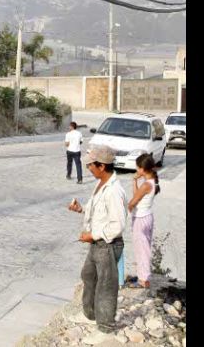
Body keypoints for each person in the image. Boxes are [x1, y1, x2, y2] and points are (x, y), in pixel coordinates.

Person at [66, 145, 127, 344]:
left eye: (91, 165)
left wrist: (93, 236)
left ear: (101, 166)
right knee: (88, 275)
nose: (89, 168)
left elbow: (117, 225)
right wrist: (80, 209)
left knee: (106, 286)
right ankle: (90, 315)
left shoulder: (115, 191)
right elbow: (98, 213)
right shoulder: (101, 183)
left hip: (107, 244)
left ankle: (106, 328)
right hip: (97, 244)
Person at [127, 153, 160, 289]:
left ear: (142, 169)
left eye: (137, 168)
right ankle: (142, 276)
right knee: (142, 247)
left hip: (140, 219)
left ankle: (144, 280)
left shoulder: (147, 184)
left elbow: (133, 201)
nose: (136, 170)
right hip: (146, 217)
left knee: (142, 249)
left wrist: (125, 210)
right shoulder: (150, 181)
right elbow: (137, 195)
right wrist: (134, 181)